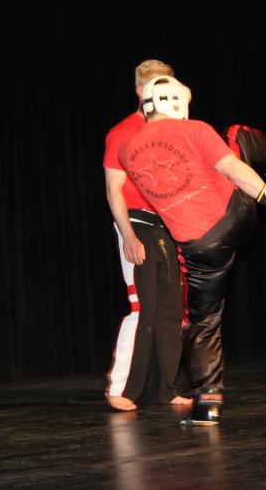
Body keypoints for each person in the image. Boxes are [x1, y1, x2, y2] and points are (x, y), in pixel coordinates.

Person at [119, 75, 266, 425]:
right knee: (237, 136)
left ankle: (207, 402)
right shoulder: (195, 129)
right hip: (235, 216)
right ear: (179, 103)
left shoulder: (126, 151)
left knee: (203, 322)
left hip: (199, 249)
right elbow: (235, 170)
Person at [103, 59, 189, 412]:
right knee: (144, 307)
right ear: (141, 91)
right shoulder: (123, 132)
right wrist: (127, 235)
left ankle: (166, 389)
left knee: (172, 308)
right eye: (156, 87)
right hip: (135, 223)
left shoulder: (172, 131)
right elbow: (113, 188)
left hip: (164, 225)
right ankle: (122, 388)